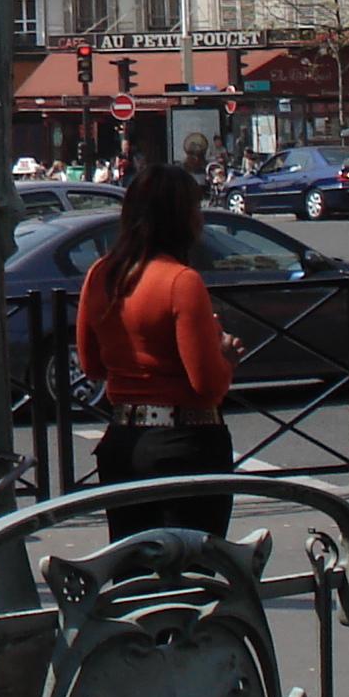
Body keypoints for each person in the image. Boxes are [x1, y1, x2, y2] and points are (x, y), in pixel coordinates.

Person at [76, 164, 240, 538]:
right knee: (190, 573)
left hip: (122, 442)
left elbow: (92, 366)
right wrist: (225, 355)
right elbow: (208, 386)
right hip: (185, 443)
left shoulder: (101, 274)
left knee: (132, 569)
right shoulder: (182, 281)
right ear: (182, 218)